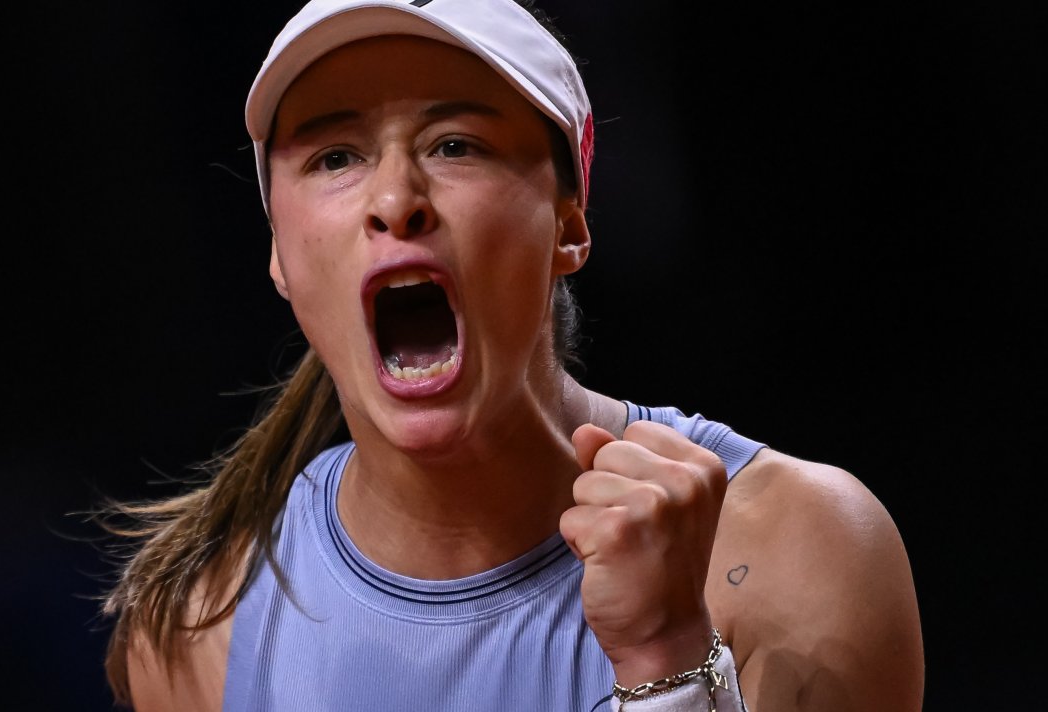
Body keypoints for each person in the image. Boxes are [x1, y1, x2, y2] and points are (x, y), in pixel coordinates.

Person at [95, 0, 924, 709]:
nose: (394, 200)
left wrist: (667, 658)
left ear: (569, 221)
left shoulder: (796, 551)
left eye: (455, 144)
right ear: (278, 248)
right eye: (335, 157)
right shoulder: (200, 627)